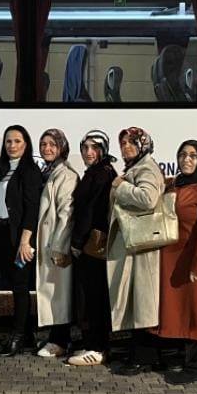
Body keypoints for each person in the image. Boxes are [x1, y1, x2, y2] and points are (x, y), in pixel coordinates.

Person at [153, 140, 197, 384]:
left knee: (196, 311)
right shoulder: (173, 186)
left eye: (193, 156)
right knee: (175, 311)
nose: (187, 160)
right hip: (170, 258)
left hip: (194, 259)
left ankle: (193, 366)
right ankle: (176, 358)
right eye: (182, 155)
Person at [107, 127, 163, 375]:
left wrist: (121, 187)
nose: (126, 147)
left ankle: (144, 357)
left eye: (131, 142)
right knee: (135, 301)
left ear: (143, 145)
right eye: (123, 143)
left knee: (143, 302)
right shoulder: (135, 167)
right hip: (135, 244)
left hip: (142, 245)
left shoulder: (146, 168)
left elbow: (148, 199)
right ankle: (137, 354)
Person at [66, 130, 118, 367]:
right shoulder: (97, 172)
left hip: (93, 245)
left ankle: (98, 347)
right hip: (92, 244)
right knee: (89, 296)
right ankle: (92, 342)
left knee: (93, 297)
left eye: (94, 148)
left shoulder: (101, 174)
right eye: (85, 147)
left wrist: (77, 242)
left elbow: (89, 211)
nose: (88, 152)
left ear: (103, 150)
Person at [0, 125, 43, 358]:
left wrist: (25, 241)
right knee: (13, 285)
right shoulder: (1, 168)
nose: (12, 145)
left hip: (21, 237)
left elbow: (32, 209)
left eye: (17, 141)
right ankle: (28, 335)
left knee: (21, 287)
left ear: (26, 144)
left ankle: (17, 337)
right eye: (8, 141)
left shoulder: (29, 171)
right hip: (3, 234)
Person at [34, 129, 79, 358]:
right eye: (43, 144)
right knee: (53, 292)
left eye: (52, 144)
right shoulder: (49, 171)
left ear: (62, 147)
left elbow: (66, 214)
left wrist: (60, 247)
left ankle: (60, 341)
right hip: (49, 242)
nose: (47, 148)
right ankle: (55, 337)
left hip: (56, 244)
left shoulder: (66, 175)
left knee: (59, 293)